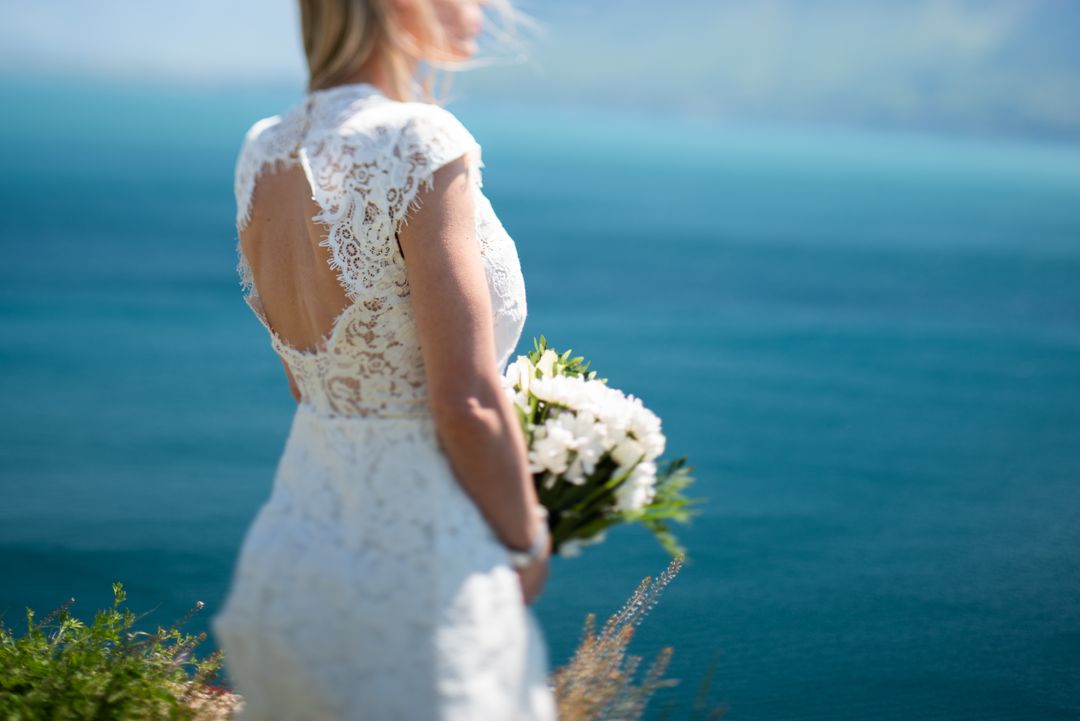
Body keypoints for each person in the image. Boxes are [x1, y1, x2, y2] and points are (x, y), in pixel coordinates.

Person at [209, 0, 557, 718]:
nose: (486, 9)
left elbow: (308, 382)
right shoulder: (421, 140)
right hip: (425, 560)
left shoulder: (261, 148)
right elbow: (464, 401)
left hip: (298, 543)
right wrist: (527, 543)